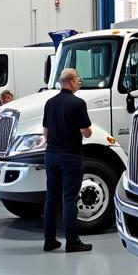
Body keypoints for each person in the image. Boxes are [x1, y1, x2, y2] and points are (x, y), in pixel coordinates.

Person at [41, 68, 92, 253]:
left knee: (51, 198)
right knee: (69, 198)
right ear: (70, 81)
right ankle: (72, 241)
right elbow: (86, 131)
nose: (79, 81)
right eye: (78, 78)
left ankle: (49, 240)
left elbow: (45, 133)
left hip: (51, 155)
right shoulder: (78, 103)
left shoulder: (49, 103)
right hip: (70, 156)